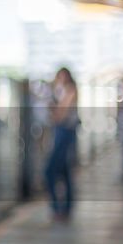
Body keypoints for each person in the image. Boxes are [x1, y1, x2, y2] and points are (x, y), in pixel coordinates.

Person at [44, 67, 79, 220]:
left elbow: (60, 115)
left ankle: (57, 206)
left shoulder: (70, 91)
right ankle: (66, 205)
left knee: (50, 171)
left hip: (64, 132)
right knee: (64, 171)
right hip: (62, 132)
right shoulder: (61, 91)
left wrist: (51, 105)